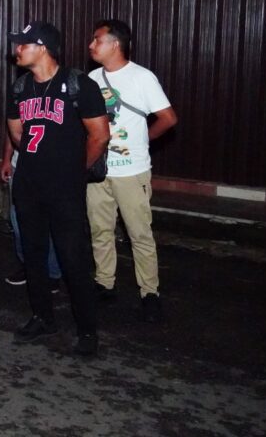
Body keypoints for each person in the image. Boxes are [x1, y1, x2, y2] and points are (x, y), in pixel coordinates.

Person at [6, 21, 110, 356]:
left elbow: (100, 135)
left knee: (72, 258)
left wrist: (74, 170)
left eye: (23, 44)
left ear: (42, 48)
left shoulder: (79, 84)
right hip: (29, 185)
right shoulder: (20, 87)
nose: (17, 50)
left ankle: (87, 330)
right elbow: (17, 133)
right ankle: (42, 317)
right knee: (33, 255)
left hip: (65, 189)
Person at [87, 19, 177, 322]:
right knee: (100, 229)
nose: (91, 45)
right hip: (99, 171)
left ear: (115, 44)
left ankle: (149, 292)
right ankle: (105, 283)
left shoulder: (142, 77)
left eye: (97, 40)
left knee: (139, 234)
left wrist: (143, 140)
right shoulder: (92, 78)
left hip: (131, 171)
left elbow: (168, 118)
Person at [0, 134, 62, 290]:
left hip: (49, 168)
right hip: (19, 166)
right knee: (18, 221)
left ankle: (52, 272)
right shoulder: (17, 114)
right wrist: (6, 159)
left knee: (48, 222)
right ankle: (28, 266)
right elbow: (11, 131)